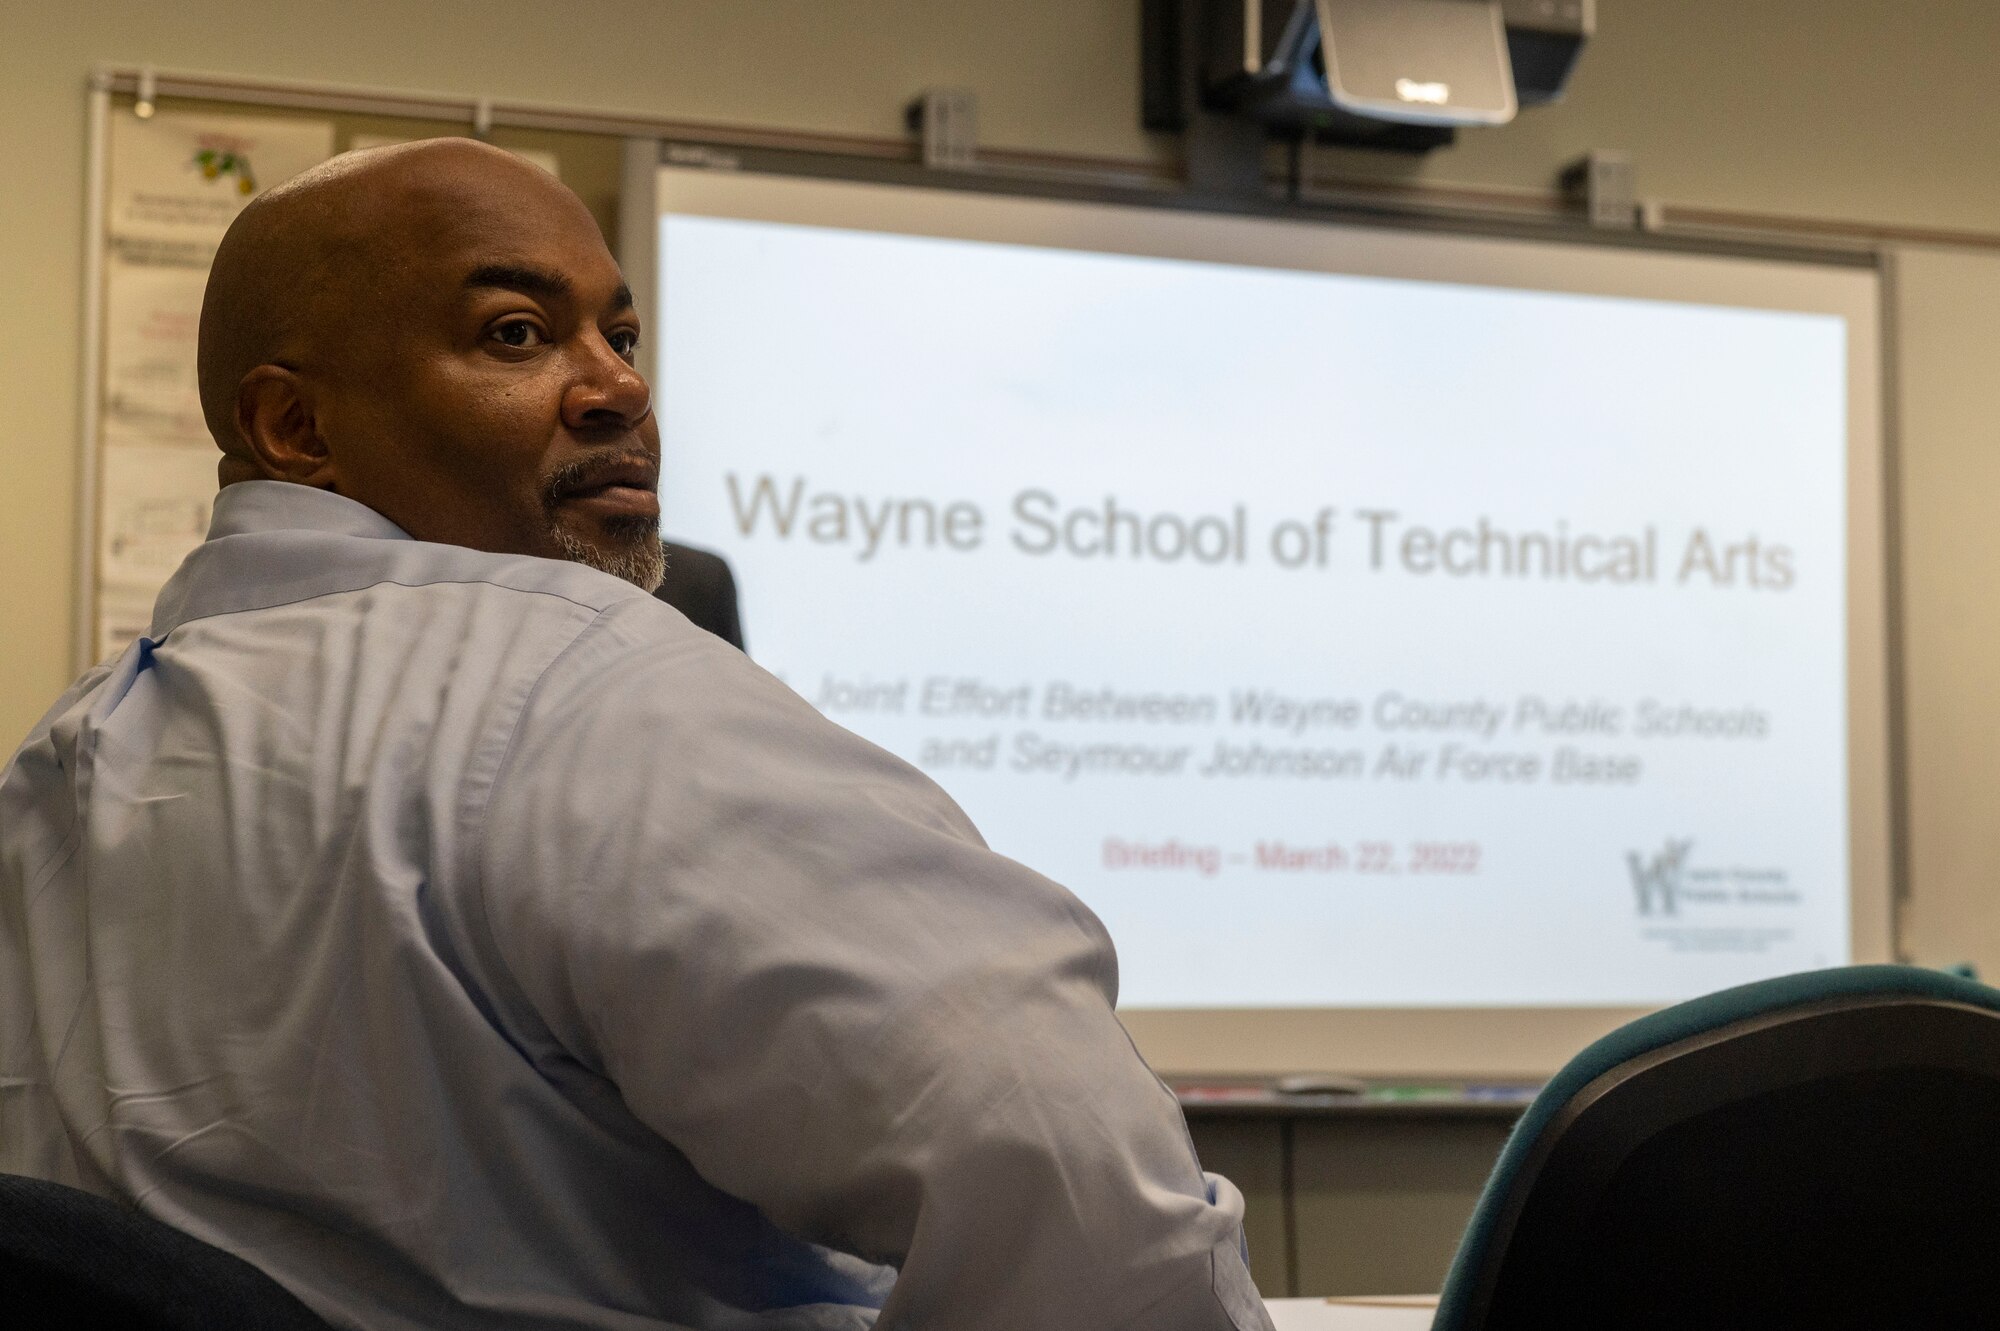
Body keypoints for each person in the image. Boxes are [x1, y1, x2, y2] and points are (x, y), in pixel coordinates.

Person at [0, 139, 1271, 1331]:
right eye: (516, 333)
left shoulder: (60, 770)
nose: (617, 386)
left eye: (619, 333)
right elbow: (1081, 1198)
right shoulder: (590, 690)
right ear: (298, 430)